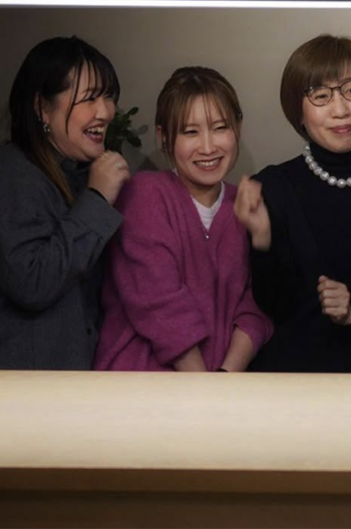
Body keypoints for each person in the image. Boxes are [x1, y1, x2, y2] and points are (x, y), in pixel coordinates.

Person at [234, 34, 351, 373]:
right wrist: (262, 240)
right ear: (298, 112)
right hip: (295, 383)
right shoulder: (271, 187)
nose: (340, 110)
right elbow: (272, 307)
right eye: (320, 95)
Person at [95, 66, 272, 372]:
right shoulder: (144, 194)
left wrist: (225, 378)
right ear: (164, 136)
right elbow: (159, 303)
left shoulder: (245, 203)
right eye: (190, 132)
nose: (208, 147)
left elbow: (257, 308)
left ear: (238, 128)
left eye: (220, 128)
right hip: (138, 384)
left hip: (217, 388)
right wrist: (203, 389)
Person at [0, 36, 130, 370]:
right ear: (43, 107)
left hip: (79, 383)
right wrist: (97, 199)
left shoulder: (82, 173)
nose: (105, 111)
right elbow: (31, 281)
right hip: (30, 388)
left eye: (108, 96)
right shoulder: (14, 171)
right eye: (89, 98)